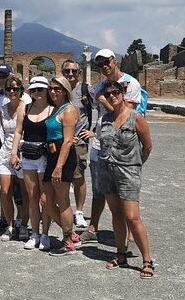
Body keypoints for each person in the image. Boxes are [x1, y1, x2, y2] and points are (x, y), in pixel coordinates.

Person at [81, 48, 143, 252]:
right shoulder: (100, 85)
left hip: (122, 147)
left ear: (115, 61)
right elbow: (95, 112)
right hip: (99, 144)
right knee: (100, 189)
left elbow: (125, 114)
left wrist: (103, 99)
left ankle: (132, 234)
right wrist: (92, 131)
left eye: (107, 62)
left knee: (126, 193)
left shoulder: (131, 84)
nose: (104, 66)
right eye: (100, 64)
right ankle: (93, 227)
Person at [98, 80, 154, 278]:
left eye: (116, 92)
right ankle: (120, 254)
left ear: (123, 94)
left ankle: (147, 260)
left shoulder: (135, 117)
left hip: (128, 172)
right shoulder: (104, 119)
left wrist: (136, 166)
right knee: (116, 215)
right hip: (107, 171)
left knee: (132, 217)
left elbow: (147, 146)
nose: (112, 95)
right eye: (108, 93)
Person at [0, 63, 31, 237]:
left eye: (15, 89)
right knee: (5, 190)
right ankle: (10, 224)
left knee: (24, 191)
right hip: (5, 150)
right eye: (9, 89)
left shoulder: (27, 104)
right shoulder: (2, 106)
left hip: (22, 151)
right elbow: (2, 129)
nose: (12, 92)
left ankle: (23, 224)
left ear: (21, 90)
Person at [11, 76, 53, 251]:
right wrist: (14, 152)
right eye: (34, 90)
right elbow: (19, 131)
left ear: (47, 90)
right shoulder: (25, 108)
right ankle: (34, 233)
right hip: (28, 155)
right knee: (32, 197)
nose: (37, 93)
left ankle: (45, 234)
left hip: (44, 156)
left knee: (45, 198)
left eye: (40, 89)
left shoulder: (53, 109)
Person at [42, 76, 80, 256]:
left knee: (62, 199)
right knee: (46, 201)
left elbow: (67, 141)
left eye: (57, 88)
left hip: (62, 157)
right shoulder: (55, 108)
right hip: (52, 155)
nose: (53, 91)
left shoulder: (69, 110)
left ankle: (67, 241)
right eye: (51, 88)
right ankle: (71, 234)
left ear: (65, 90)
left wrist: (59, 167)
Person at [61, 60, 94, 229]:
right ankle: (61, 209)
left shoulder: (86, 90)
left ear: (79, 73)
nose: (71, 74)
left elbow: (106, 110)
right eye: (67, 71)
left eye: (74, 71)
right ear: (62, 72)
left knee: (78, 177)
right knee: (58, 177)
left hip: (79, 142)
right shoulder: (57, 88)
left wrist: (94, 131)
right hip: (59, 141)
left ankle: (79, 212)